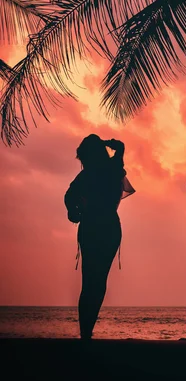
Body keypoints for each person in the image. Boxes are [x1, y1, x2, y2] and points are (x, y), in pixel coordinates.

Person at [64, 134, 135, 340]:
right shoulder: (113, 169)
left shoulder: (86, 176)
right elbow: (120, 146)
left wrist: (73, 211)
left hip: (92, 227)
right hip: (110, 228)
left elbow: (69, 196)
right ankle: (88, 329)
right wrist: (105, 143)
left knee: (89, 281)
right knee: (99, 280)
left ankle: (85, 330)